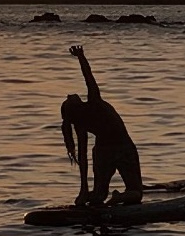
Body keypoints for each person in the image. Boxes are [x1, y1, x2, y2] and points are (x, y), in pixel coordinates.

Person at [61, 45, 143, 206]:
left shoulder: (80, 123)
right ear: (75, 107)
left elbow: (83, 158)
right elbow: (89, 77)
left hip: (103, 151)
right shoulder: (94, 102)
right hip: (123, 147)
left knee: (99, 194)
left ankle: (95, 197)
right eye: (70, 99)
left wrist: (83, 190)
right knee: (136, 192)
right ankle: (119, 197)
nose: (70, 95)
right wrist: (81, 57)